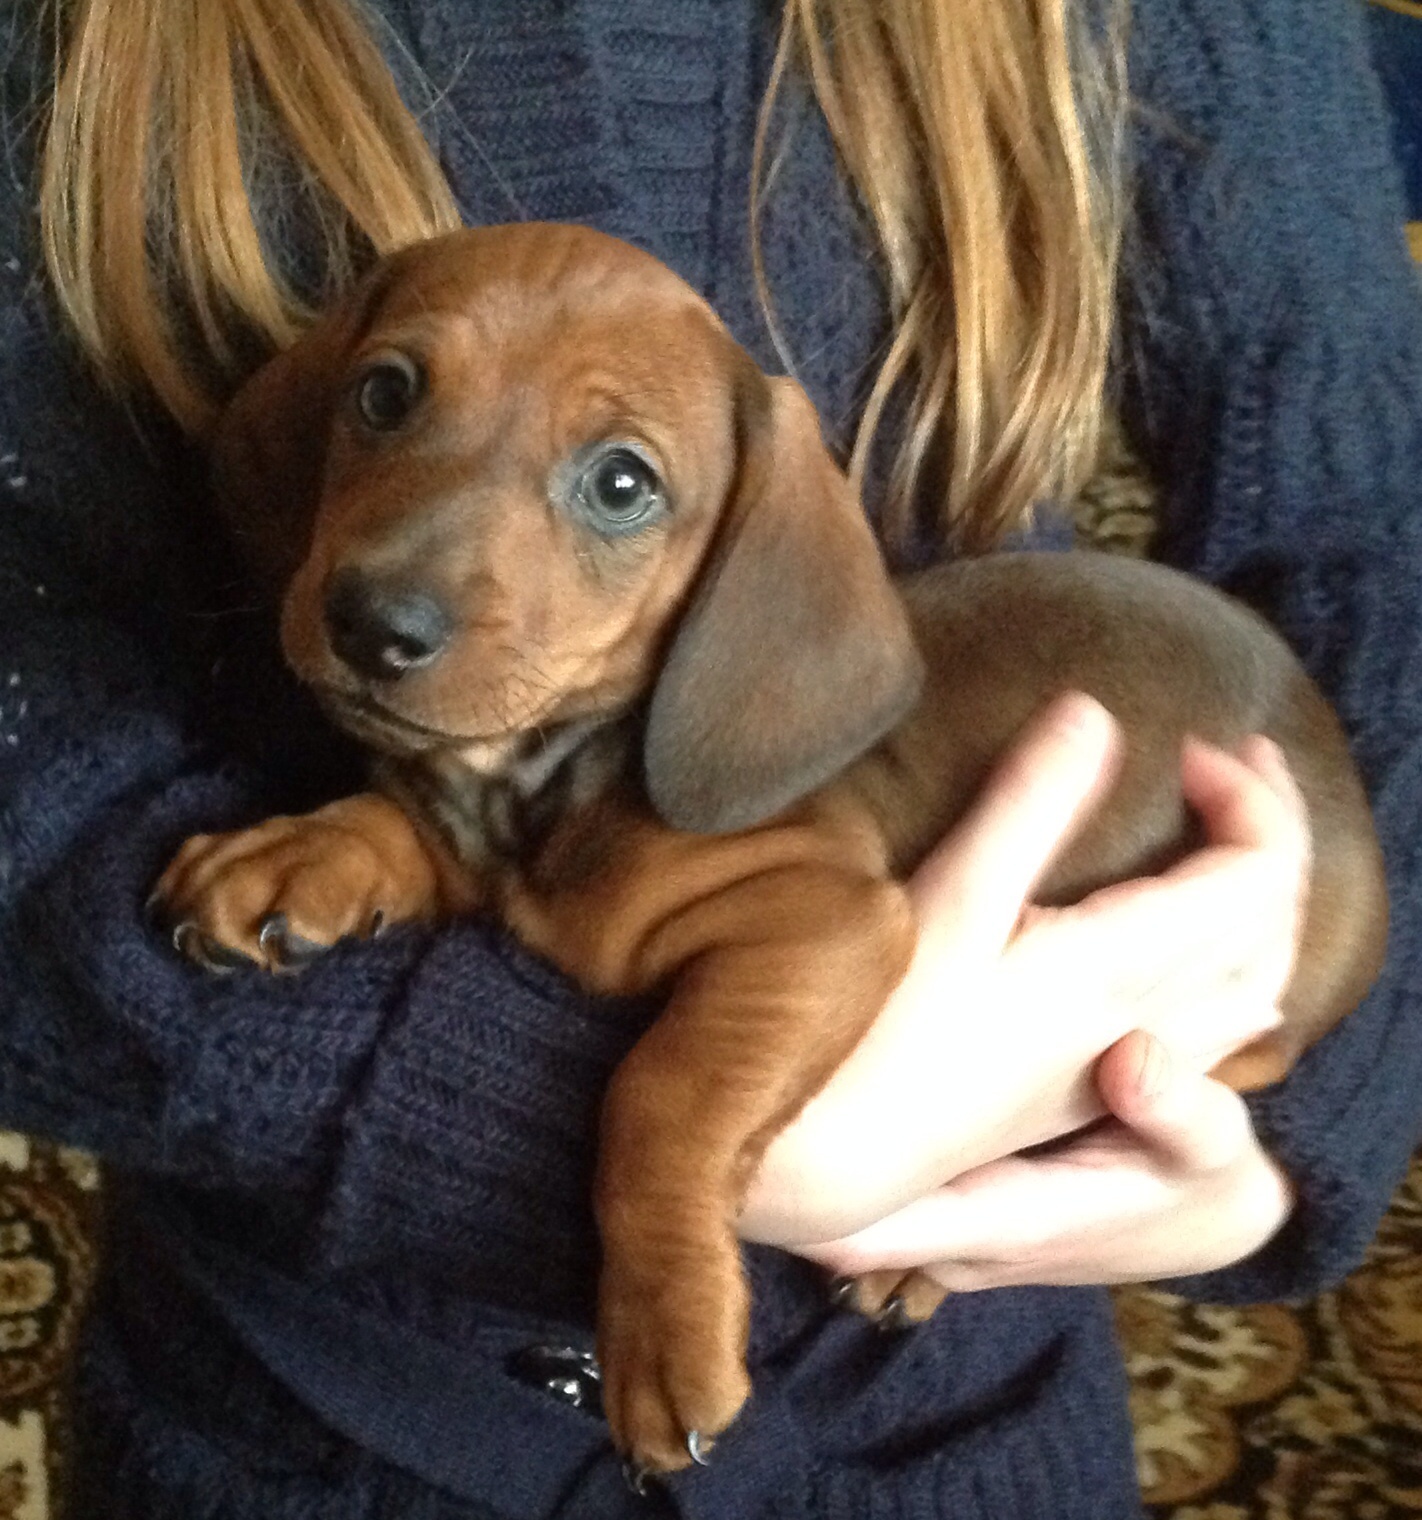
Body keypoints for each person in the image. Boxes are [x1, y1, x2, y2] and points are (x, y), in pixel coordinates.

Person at [0, 0, 1418, 1516]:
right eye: (394, 397)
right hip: (287, 1410)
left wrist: (1264, 1102)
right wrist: (487, 1076)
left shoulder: (738, 777)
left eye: (619, 483)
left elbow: (1371, 538)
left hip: (942, 1431)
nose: (410, 579)